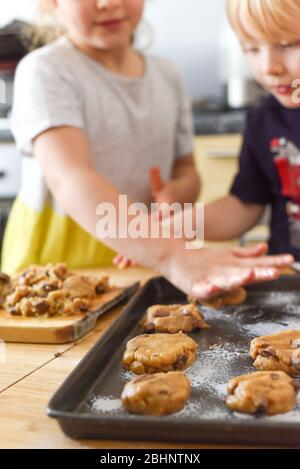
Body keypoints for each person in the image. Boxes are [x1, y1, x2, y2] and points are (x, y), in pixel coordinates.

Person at [1, 0, 293, 300]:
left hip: (148, 249)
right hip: (65, 250)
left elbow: (186, 172)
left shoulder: (168, 75)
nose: (109, 3)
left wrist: (177, 199)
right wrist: (170, 254)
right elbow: (71, 177)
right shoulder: (45, 70)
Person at [204, 0, 300, 262]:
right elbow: (245, 205)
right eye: (252, 48)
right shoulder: (263, 119)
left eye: (289, 44)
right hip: (288, 278)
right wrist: (167, 230)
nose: (269, 67)